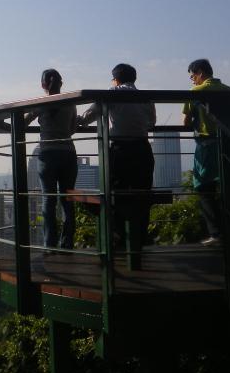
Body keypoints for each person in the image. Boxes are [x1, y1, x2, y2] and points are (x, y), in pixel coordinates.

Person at [78, 63, 155, 250]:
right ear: (134, 78)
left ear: (116, 79)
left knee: (114, 193)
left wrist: (76, 121)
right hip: (143, 149)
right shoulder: (146, 97)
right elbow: (151, 123)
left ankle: (118, 236)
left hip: (120, 150)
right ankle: (139, 239)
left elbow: (88, 117)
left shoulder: (111, 92)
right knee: (142, 194)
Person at [181, 59, 230, 246]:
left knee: (204, 188)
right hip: (229, 144)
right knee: (229, 186)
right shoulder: (229, 90)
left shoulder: (196, 92)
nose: (192, 80)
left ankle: (216, 233)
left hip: (206, 145)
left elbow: (186, 121)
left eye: (192, 75)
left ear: (200, 73)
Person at [26, 69, 77, 250]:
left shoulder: (40, 103)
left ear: (43, 85)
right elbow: (72, 128)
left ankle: (50, 244)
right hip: (68, 153)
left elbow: (24, 121)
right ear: (61, 83)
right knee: (67, 200)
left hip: (47, 154)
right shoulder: (70, 103)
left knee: (48, 199)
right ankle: (67, 243)